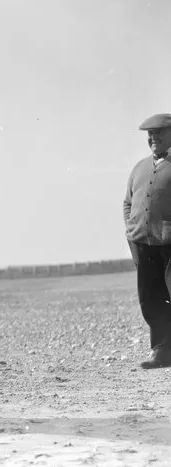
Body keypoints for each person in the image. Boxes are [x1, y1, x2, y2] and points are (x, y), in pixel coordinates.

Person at [124, 113, 171, 369]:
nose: (154, 138)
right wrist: (131, 231)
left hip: (169, 245)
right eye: (150, 134)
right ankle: (162, 353)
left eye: (160, 133)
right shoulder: (139, 168)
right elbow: (127, 203)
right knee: (150, 299)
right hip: (144, 244)